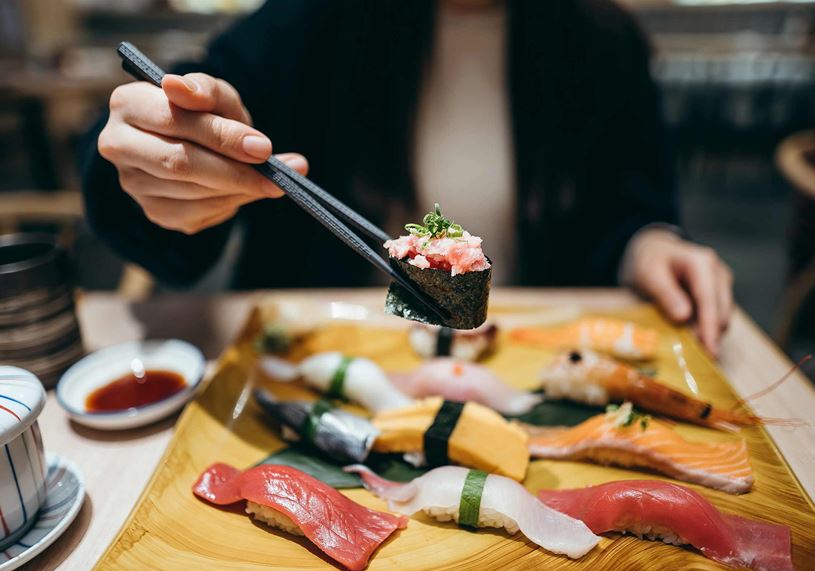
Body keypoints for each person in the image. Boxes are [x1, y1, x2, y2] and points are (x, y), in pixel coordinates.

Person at [81, 0, 733, 355]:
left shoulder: (602, 41)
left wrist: (648, 242)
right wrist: (162, 162)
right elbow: (182, 129)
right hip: (323, 363)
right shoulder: (310, 24)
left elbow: (627, 205)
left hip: (527, 359)